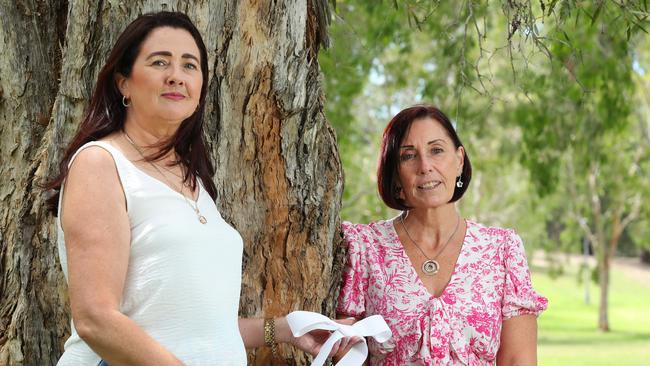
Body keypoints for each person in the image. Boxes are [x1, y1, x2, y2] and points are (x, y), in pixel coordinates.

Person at [46, 11, 352, 365]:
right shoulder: (101, 163)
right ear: (123, 83)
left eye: (189, 66)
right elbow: (95, 319)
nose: (176, 76)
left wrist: (285, 329)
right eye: (160, 62)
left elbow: (200, 329)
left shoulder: (193, 183)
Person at [334, 105, 548, 365]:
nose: (425, 166)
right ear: (396, 175)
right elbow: (348, 355)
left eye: (436, 150)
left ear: (459, 160)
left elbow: (518, 360)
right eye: (408, 156)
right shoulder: (364, 247)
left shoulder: (502, 250)